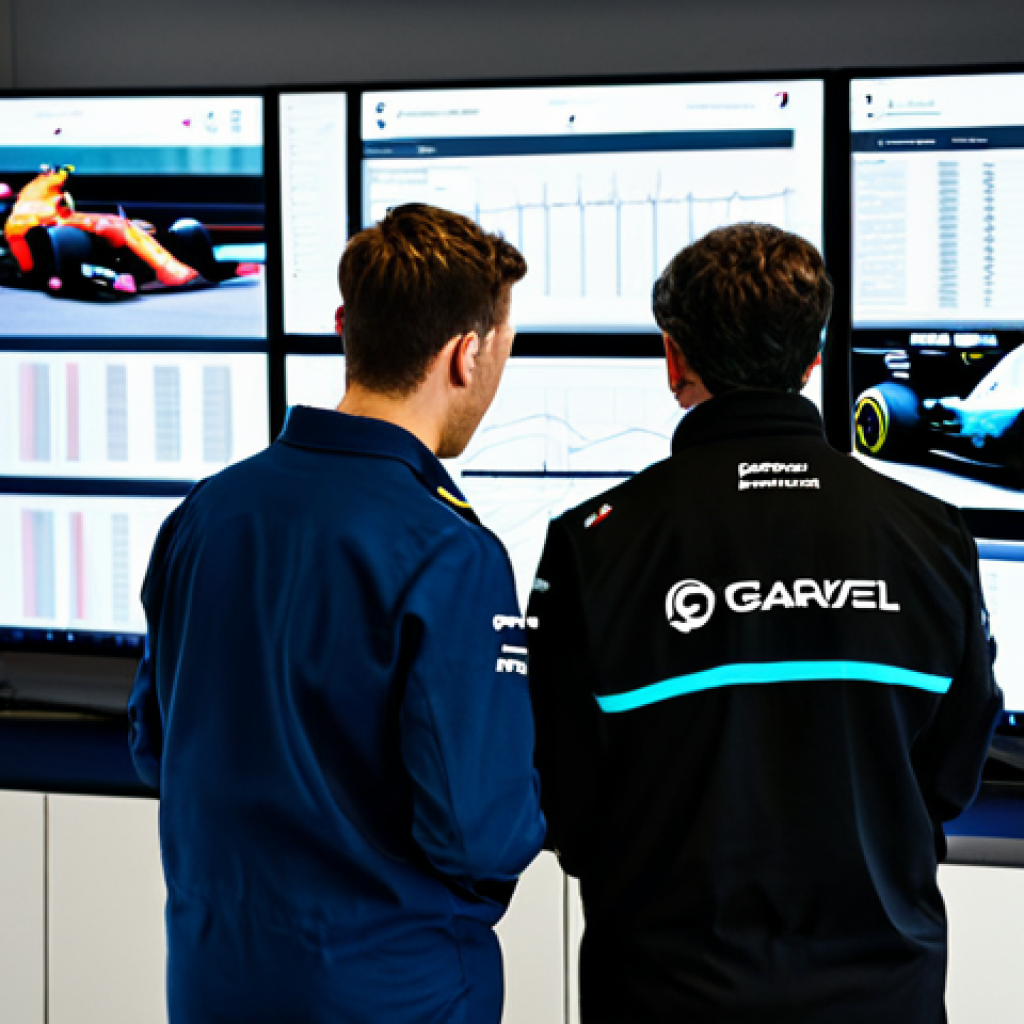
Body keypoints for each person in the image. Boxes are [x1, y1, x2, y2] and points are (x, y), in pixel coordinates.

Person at [526, 222, 1002, 1024]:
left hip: (662, 992)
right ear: (813, 358)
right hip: (883, 996)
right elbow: (953, 776)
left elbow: (560, 794)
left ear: (675, 359)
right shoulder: (933, 534)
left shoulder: (594, 542)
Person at [129, 203, 545, 1024]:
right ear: (467, 354)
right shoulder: (450, 551)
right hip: (394, 991)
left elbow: (155, 747)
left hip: (214, 984)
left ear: (343, 327)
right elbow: (479, 834)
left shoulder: (206, 514)